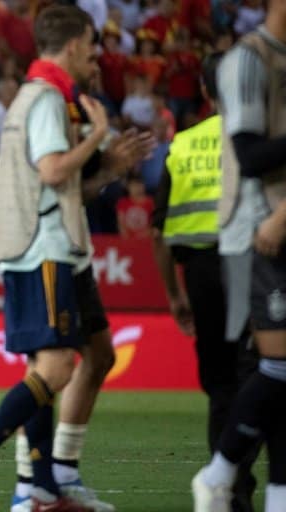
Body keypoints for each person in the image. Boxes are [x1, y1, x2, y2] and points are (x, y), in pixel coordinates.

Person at [0, 5, 131, 511]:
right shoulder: (47, 98)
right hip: (44, 246)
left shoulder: (33, 96)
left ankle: (43, 484)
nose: (95, 52)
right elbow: (50, 172)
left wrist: (107, 166)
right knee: (55, 367)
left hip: (53, 241)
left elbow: (34, 181)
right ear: (72, 45)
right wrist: (97, 134)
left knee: (76, 360)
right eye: (91, 43)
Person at [152, 53, 259, 512]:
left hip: (201, 275)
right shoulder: (261, 139)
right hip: (256, 269)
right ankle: (260, 488)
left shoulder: (183, 145)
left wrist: (175, 295)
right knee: (260, 376)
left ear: (204, 91)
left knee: (220, 386)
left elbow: (159, 231)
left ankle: (227, 488)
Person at [192, 5, 286, 511]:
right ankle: (222, 471)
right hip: (259, 235)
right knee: (272, 369)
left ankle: (273, 495)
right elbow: (250, 157)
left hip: (270, 228)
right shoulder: (249, 61)